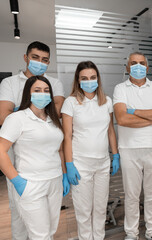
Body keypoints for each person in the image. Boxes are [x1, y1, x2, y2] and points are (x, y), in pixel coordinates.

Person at [0, 41, 65, 240]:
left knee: (50, 230)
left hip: (53, 180)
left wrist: (62, 172)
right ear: (26, 57)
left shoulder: (53, 121)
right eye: (37, 91)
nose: (42, 94)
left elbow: (59, 146)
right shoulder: (16, 116)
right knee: (31, 229)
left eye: (46, 92)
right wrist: (17, 180)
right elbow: (4, 117)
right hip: (28, 179)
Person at [113, 52, 152, 240]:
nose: (138, 66)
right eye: (133, 63)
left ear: (147, 67)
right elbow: (122, 118)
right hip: (129, 149)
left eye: (141, 63)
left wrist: (135, 112)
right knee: (131, 195)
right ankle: (131, 233)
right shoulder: (120, 88)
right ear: (127, 67)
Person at [61, 61, 120, 240]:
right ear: (78, 81)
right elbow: (67, 136)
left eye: (92, 77)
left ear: (98, 79)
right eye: (84, 78)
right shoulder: (70, 102)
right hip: (80, 164)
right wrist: (69, 165)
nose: (89, 81)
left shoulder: (106, 101)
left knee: (100, 209)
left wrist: (115, 155)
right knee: (84, 211)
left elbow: (110, 130)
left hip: (102, 163)